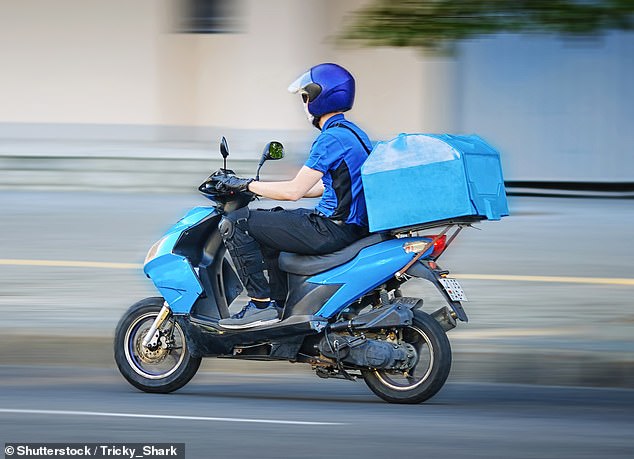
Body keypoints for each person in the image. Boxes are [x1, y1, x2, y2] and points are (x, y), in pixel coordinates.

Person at [214, 63, 372, 329]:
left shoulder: (331, 138)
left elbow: (294, 192)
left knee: (237, 223)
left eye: (305, 96)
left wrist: (247, 185)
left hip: (330, 228)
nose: (304, 103)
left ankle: (260, 304)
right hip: (349, 227)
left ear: (320, 96)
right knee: (272, 223)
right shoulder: (354, 134)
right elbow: (326, 186)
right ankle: (281, 306)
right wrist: (261, 188)